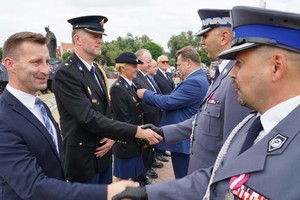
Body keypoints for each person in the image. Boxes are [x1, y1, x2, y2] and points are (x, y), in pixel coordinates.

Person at [113, 6, 300, 200]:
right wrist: (148, 193)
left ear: (276, 67)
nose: (233, 73)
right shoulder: (251, 125)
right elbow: (220, 174)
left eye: (240, 63)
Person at [0, 31, 140, 200]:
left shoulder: (40, 106)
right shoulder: (4, 119)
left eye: (46, 62)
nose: (45, 70)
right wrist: (106, 192)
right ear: (10, 64)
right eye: (36, 62)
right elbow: (34, 187)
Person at [52, 15, 162, 185]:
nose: (100, 41)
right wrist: (136, 131)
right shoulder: (66, 73)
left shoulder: (96, 70)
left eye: (101, 37)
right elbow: (88, 118)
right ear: (77, 39)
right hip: (83, 158)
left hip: (104, 154)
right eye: (94, 36)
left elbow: (106, 110)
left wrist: (112, 137)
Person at [137, 46, 209, 178]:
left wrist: (145, 94)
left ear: (188, 63)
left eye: (179, 64)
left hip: (183, 139)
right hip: (182, 136)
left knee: (183, 179)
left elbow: (169, 102)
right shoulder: (196, 78)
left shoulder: (195, 81)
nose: (177, 67)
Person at [109, 52, 145, 184]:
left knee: (134, 177)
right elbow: (123, 119)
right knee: (122, 180)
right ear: (123, 68)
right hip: (127, 142)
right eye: (134, 66)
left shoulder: (131, 85)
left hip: (135, 140)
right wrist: (140, 136)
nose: (136, 69)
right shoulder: (117, 88)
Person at [133, 49, 162, 183]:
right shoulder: (136, 77)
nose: (150, 64)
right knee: (143, 150)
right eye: (148, 61)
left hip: (154, 118)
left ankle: (148, 167)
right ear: (138, 62)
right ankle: (143, 174)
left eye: (151, 61)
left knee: (149, 148)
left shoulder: (145, 76)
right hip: (146, 119)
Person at [153, 55, 175, 161]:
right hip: (161, 105)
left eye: (167, 61)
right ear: (158, 63)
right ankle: (158, 152)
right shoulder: (156, 75)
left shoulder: (168, 74)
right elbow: (157, 91)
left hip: (169, 105)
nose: (165, 63)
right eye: (163, 62)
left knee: (165, 128)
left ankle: (163, 149)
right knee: (160, 128)